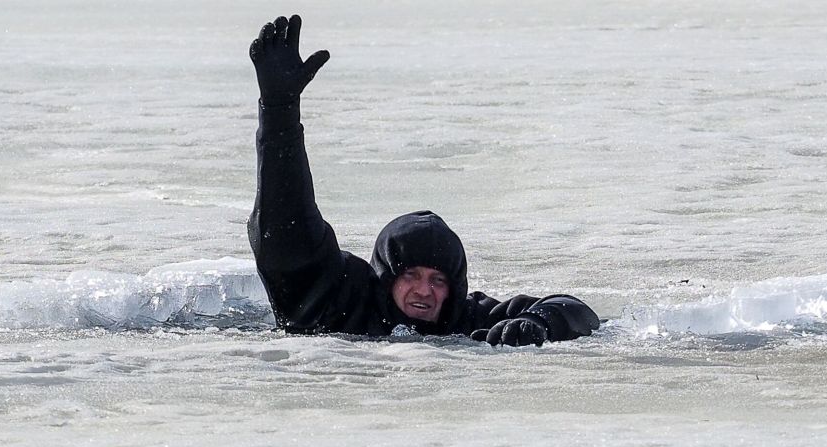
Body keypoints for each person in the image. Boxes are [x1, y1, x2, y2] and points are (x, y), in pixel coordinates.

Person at [247, 15, 600, 346]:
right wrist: (279, 110)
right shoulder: (340, 299)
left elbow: (576, 310)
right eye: (411, 275)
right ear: (386, 277)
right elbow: (286, 231)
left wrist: (539, 322)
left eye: (438, 280)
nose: (424, 291)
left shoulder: (465, 319)